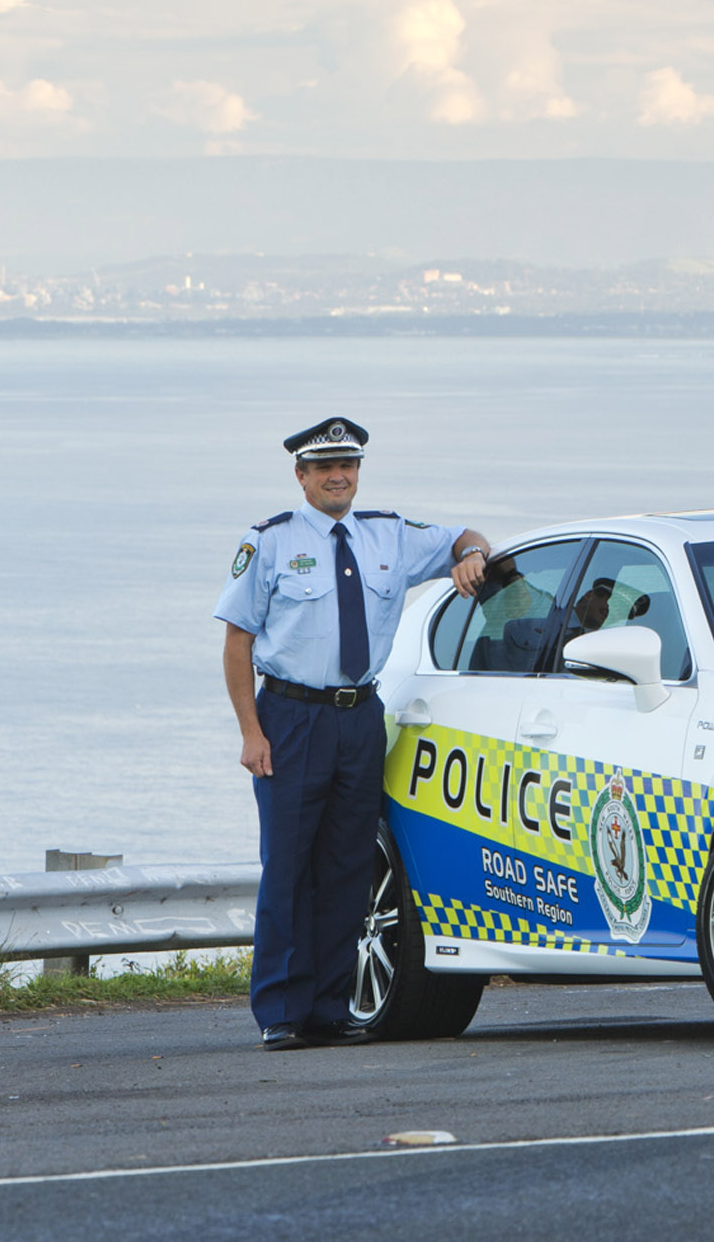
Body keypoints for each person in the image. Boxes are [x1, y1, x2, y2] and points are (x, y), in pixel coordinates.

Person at [213, 417, 491, 1049]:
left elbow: (463, 537)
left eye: (349, 466)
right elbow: (236, 642)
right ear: (302, 477)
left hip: (360, 717)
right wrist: (251, 733)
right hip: (291, 717)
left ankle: (333, 1008)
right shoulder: (271, 543)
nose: (340, 477)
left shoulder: (388, 534)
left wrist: (473, 553)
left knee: (347, 867)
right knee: (288, 866)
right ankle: (282, 1011)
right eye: (326, 468)